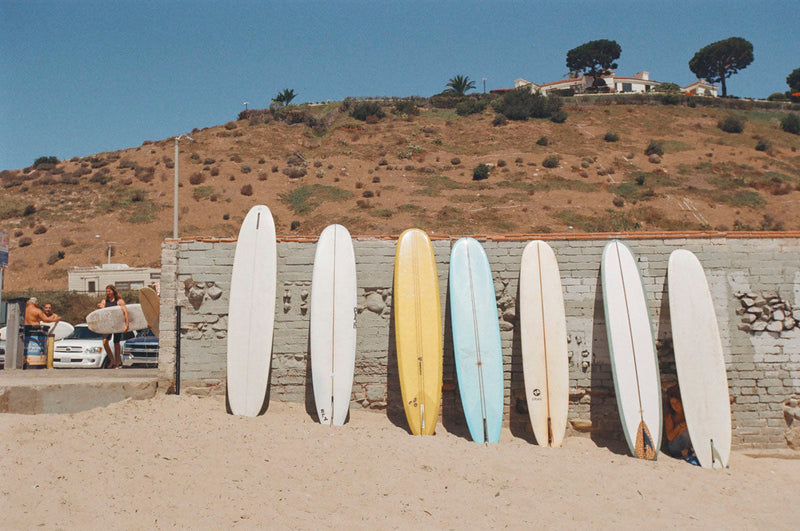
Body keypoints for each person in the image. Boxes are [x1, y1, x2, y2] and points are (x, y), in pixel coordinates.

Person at [98, 285, 129, 369]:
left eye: (109, 291)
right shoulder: (105, 301)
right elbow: (102, 311)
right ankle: (112, 359)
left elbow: (125, 312)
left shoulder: (119, 301)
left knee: (116, 343)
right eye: (107, 291)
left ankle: (117, 364)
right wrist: (100, 307)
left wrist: (126, 324)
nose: (108, 293)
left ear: (113, 291)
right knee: (105, 342)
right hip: (108, 324)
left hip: (117, 323)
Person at [664, 384, 693, 459]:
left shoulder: (689, 413)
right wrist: (679, 427)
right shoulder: (670, 416)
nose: (675, 406)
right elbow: (670, 437)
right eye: (672, 404)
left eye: (677, 403)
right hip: (676, 447)